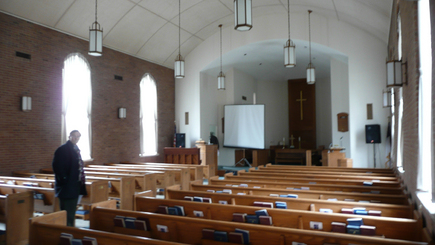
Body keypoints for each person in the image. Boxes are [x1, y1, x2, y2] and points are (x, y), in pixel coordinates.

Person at [52, 130, 87, 227]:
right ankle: (67, 233)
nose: (76, 138)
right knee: (66, 213)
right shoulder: (63, 149)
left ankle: (70, 230)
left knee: (71, 211)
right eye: (74, 136)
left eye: (78, 136)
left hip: (74, 186)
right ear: (69, 136)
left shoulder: (75, 148)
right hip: (67, 187)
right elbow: (57, 167)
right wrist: (65, 180)